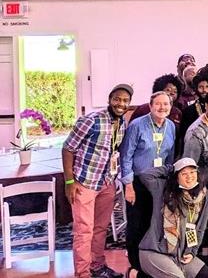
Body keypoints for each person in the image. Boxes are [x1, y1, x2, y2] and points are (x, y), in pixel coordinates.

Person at [62, 84, 132, 278]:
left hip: (106, 182)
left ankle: (97, 267)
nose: (121, 103)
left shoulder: (123, 123)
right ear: (110, 99)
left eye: (125, 101)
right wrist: (69, 182)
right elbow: (68, 148)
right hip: (85, 182)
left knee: (101, 229)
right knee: (84, 231)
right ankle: (82, 273)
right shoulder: (91, 120)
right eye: (117, 99)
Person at [120, 91, 176, 275]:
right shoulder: (137, 125)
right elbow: (126, 156)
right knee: (137, 223)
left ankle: (150, 264)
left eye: (166, 104)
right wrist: (128, 185)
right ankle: (135, 266)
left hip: (159, 182)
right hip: (137, 183)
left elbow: (170, 156)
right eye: (158, 104)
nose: (162, 108)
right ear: (150, 106)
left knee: (154, 223)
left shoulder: (171, 127)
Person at [137, 158, 208, 278]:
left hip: (178, 253)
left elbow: (200, 228)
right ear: (176, 178)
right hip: (154, 251)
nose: (189, 177)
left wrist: (192, 252)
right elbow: (145, 175)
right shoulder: (162, 189)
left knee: (204, 274)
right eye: (184, 173)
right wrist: (170, 169)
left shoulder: (206, 196)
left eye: (192, 172)